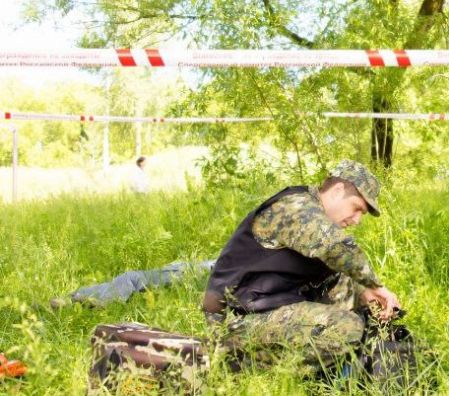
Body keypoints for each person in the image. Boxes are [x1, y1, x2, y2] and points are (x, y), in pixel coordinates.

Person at [202, 159, 400, 373]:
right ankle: (236, 361)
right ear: (337, 191)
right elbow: (336, 248)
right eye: (356, 208)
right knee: (347, 328)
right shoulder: (296, 207)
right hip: (235, 320)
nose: (357, 220)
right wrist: (377, 285)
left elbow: (333, 277)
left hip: (268, 307)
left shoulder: (318, 219)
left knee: (357, 299)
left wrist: (364, 294)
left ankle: (335, 361)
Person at [49, 260, 216, 309]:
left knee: (131, 278)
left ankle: (107, 301)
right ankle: (70, 299)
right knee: (111, 283)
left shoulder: (226, 266)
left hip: (181, 275)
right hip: (177, 269)